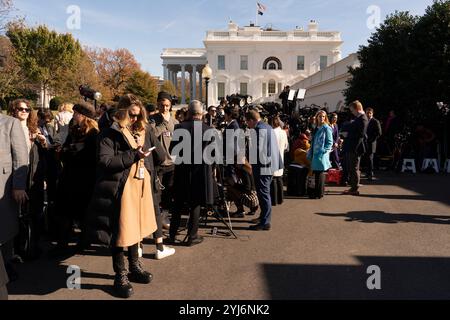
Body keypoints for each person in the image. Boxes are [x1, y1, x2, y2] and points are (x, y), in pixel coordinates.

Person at [89, 94, 159, 298]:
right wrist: (133, 155)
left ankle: (135, 267)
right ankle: (121, 275)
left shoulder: (142, 131)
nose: (136, 120)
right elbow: (105, 162)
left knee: (136, 232)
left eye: (139, 116)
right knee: (120, 234)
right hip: (120, 190)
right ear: (122, 113)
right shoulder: (108, 134)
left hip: (140, 188)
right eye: (132, 115)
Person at [128, 100, 175, 260]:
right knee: (154, 210)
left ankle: (138, 246)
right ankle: (159, 247)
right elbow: (161, 155)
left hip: (129, 176)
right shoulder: (146, 129)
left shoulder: (121, 130)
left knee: (135, 211)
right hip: (146, 173)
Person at [53, 102, 99, 254]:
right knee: (64, 213)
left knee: (82, 214)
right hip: (69, 178)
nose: (73, 116)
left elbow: (88, 157)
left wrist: (70, 151)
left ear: (83, 116)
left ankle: (82, 242)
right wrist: (67, 151)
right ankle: (62, 245)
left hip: (84, 181)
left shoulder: (93, 134)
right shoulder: (74, 130)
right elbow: (66, 152)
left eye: (76, 113)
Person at [169, 100, 217, 246]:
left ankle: (172, 235)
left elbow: (173, 151)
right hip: (200, 172)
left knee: (177, 204)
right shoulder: (208, 130)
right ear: (201, 114)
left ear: (188, 113)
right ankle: (192, 236)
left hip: (182, 171)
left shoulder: (179, 127)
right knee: (195, 204)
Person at [8, 100, 47, 260]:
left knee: (35, 212)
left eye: (27, 109)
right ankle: (18, 249)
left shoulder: (34, 129)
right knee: (18, 214)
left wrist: (43, 141)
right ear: (14, 110)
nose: (24, 111)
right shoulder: (9, 127)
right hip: (16, 175)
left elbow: (44, 154)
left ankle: (33, 247)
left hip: (34, 176)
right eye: (20, 109)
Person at [0, 112, 28, 282]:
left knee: (4, 230)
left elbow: (21, 157)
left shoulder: (10, 123)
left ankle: (6, 266)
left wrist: (18, 186)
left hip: (3, 185)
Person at [245, 109, 283, 231]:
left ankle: (265, 222)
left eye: (247, 122)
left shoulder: (259, 129)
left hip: (263, 166)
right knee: (263, 193)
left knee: (263, 193)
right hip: (269, 164)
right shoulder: (266, 126)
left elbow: (257, 150)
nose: (247, 125)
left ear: (251, 120)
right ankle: (263, 217)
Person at [149, 92, 179, 228]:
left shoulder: (175, 122)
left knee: (169, 191)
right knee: (156, 192)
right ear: (157, 104)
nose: (165, 108)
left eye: (167, 105)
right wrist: (163, 124)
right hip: (157, 162)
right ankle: (154, 216)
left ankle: (164, 215)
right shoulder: (152, 120)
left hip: (172, 163)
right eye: (162, 105)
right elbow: (152, 135)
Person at [342, 100, 369, 196]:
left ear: (357, 109)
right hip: (353, 146)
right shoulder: (359, 118)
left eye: (352, 110)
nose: (351, 112)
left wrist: (348, 134)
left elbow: (361, 134)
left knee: (354, 168)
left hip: (355, 147)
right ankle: (353, 187)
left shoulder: (362, 118)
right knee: (353, 168)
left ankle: (354, 188)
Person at [307, 111, 333, 199]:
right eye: (320, 116)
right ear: (317, 117)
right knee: (316, 173)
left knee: (320, 173)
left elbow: (330, 142)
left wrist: (324, 150)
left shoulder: (326, 128)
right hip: (314, 153)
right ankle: (317, 192)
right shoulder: (316, 127)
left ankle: (319, 193)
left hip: (321, 154)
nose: (321, 118)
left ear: (325, 118)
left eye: (323, 116)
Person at [269, 115, 289, 206]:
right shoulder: (283, 132)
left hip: (273, 156)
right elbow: (286, 146)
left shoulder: (271, 132)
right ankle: (280, 199)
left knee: (273, 179)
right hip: (281, 156)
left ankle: (274, 200)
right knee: (279, 178)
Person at [365, 108, 382, 180]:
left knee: (370, 158)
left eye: (370, 113)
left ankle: (371, 173)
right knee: (366, 158)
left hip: (371, 143)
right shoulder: (365, 121)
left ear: (372, 114)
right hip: (365, 142)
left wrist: (372, 139)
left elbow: (379, 133)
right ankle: (367, 172)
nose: (368, 114)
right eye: (367, 113)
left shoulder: (375, 121)